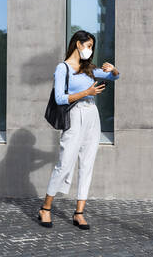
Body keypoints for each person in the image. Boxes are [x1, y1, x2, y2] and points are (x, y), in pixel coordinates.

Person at [37, 30, 120, 230]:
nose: (90, 51)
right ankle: (45, 208)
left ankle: (79, 212)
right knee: (65, 163)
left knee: (87, 164)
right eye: (88, 46)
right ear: (77, 44)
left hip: (92, 115)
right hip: (75, 116)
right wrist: (87, 92)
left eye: (92, 47)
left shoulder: (89, 69)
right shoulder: (63, 68)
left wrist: (114, 70)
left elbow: (114, 77)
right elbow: (59, 98)